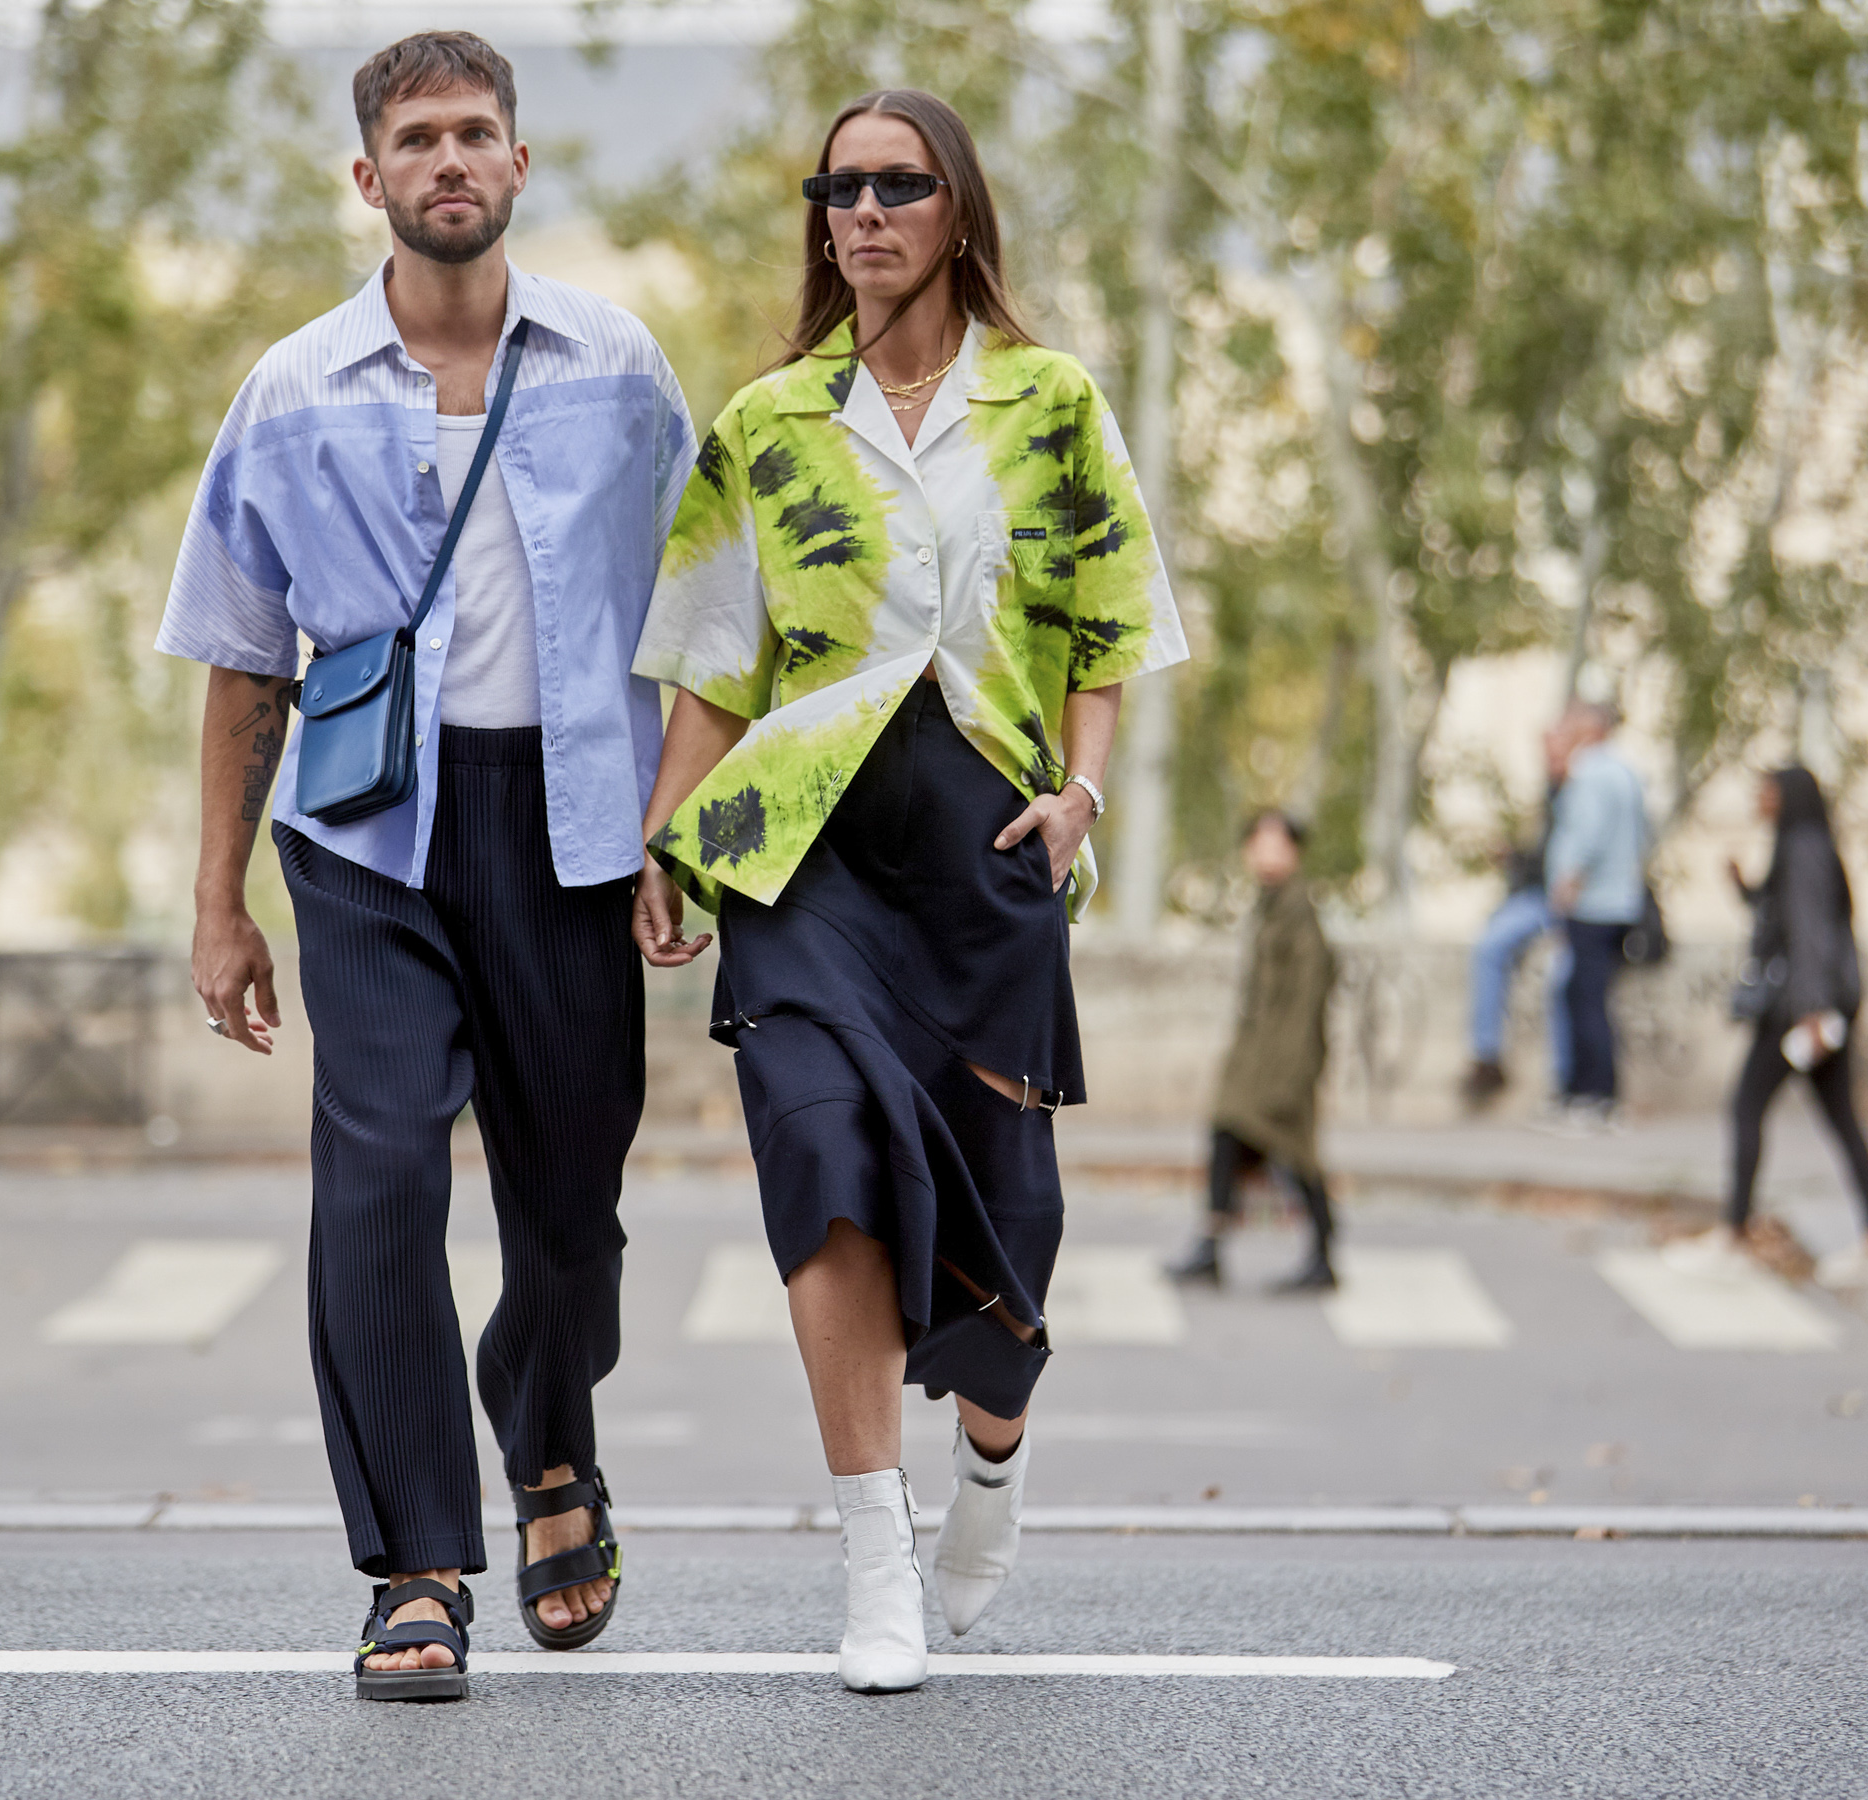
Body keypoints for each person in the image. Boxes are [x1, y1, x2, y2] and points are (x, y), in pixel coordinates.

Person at [160, 32, 693, 1702]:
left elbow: (711, 626)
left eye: (476, 134)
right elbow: (244, 661)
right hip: (366, 845)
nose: (449, 160)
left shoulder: (619, 368)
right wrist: (216, 899)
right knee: (378, 1178)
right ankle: (416, 1564)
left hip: (576, 829)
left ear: (520, 167)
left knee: (569, 1218)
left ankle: (550, 1442)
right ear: (370, 176)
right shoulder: (294, 389)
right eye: (417, 138)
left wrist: (681, 827)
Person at [633, 88, 1186, 1693]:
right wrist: (667, 842)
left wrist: (1081, 796)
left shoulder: (1052, 401)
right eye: (838, 188)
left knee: (1015, 1218)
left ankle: (992, 1468)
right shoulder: (766, 424)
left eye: (898, 185)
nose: (862, 211)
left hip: (987, 850)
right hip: (806, 851)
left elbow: (1108, 626)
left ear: (959, 208)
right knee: (824, 1167)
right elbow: (710, 665)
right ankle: (871, 1554)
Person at [1667, 768, 1868, 1286]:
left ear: (1788, 796)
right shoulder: (1801, 846)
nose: (1758, 799)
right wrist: (1743, 887)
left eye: (1766, 790)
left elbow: (1811, 931)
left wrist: (1813, 1012)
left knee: (1747, 1106)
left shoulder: (1803, 847)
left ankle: (1733, 1233)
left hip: (1797, 1011)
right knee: (1841, 1120)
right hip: (1812, 1007)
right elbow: (1783, 914)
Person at [1168, 810, 1339, 1292]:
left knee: (1296, 1156)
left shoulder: (1298, 913)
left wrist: (1289, 1077)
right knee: (1234, 1140)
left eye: (1275, 842)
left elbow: (1305, 1004)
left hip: (1283, 1064)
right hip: (1257, 1059)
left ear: (1294, 850)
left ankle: (1322, 1253)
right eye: (1257, 842)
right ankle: (1212, 1246)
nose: (1264, 852)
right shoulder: (1271, 906)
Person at [1543, 699, 1650, 1128]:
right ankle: (1590, 1093)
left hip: (1592, 905)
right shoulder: (1626, 772)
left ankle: (1593, 1095)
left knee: (1584, 1000)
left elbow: (1585, 836)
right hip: (1620, 900)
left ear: (1591, 730)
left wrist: (1567, 884)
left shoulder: (1588, 772)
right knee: (1591, 997)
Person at [1461, 725, 1573, 1109]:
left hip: (1574, 906)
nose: (1553, 761)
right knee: (1489, 948)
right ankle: (1487, 1056)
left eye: (1559, 751)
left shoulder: (1588, 791)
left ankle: (1565, 1082)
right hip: (1539, 897)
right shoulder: (1551, 795)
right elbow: (1546, 860)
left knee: (1561, 978)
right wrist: (1515, 858)